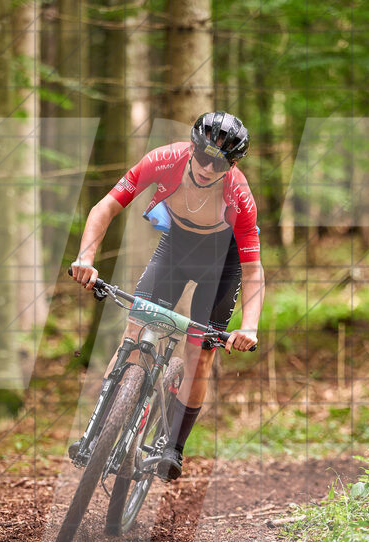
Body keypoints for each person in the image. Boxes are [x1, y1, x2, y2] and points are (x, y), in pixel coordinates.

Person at [69, 111, 264, 482]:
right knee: (135, 330)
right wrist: (85, 258)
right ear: (192, 146)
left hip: (222, 267)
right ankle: (99, 425)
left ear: (233, 163)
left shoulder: (238, 195)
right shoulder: (163, 159)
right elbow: (105, 207)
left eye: (219, 161)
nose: (208, 166)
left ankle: (173, 446)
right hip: (175, 251)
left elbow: (254, 270)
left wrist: (249, 327)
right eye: (203, 155)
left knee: (198, 353)